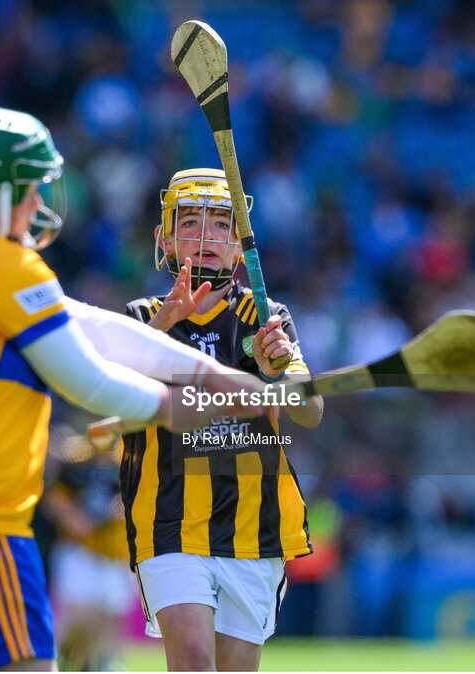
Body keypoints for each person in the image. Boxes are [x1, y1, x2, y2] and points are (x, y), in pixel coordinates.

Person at [0, 104, 264, 672]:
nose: (38, 204)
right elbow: (86, 376)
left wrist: (210, 374)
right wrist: (174, 406)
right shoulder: (2, 266)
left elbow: (90, 324)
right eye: (26, 189)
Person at [120, 168, 324, 671]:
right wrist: (162, 330)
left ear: (240, 245)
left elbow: (311, 412)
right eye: (190, 222)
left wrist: (280, 372)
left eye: (221, 225)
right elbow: (113, 406)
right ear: (164, 239)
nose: (205, 237)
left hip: (254, 527)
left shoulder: (266, 317)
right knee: (191, 661)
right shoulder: (140, 318)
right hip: (168, 521)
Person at [43, 430, 132, 671]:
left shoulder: (128, 463)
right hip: (80, 550)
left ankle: (103, 665)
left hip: (117, 552)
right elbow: (55, 498)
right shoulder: (76, 462)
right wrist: (75, 517)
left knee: (108, 617)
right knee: (81, 616)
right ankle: (67, 663)